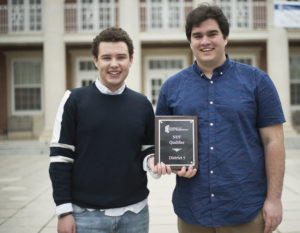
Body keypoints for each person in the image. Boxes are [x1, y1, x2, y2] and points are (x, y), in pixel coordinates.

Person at [148, 4, 286, 233]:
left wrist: (274, 199)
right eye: (197, 36)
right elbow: (163, 145)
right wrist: (170, 165)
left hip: (245, 209)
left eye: (212, 34)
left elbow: (274, 142)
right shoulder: (172, 87)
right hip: (192, 210)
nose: (205, 41)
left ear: (225, 37)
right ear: (190, 41)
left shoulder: (257, 82)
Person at [49, 27, 155, 233]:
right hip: (86, 216)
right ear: (95, 60)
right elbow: (60, 159)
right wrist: (64, 212)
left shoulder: (142, 104)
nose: (114, 64)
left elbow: (147, 149)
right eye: (106, 57)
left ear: (131, 60)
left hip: (135, 215)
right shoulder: (73, 100)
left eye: (121, 57)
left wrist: (153, 161)